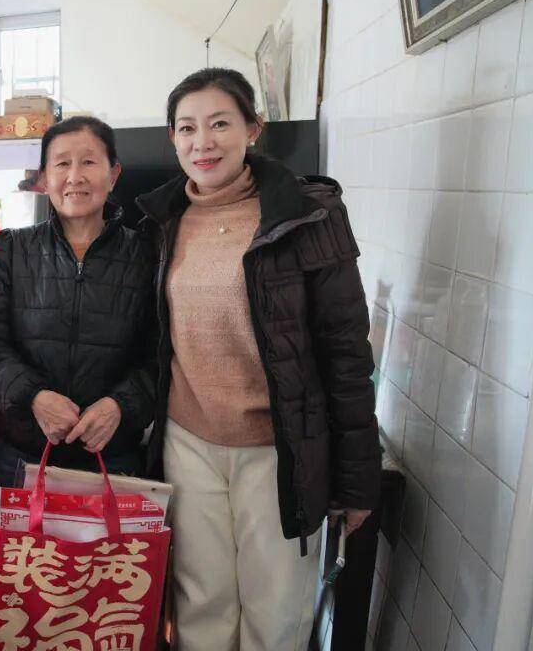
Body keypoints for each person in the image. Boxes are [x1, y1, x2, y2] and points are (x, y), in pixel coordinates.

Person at [137, 67, 380, 650]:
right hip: (188, 442)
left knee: (277, 612)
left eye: (220, 123)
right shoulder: (161, 221)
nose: (203, 142)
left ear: (253, 129)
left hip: (280, 447)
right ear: (172, 139)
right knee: (200, 607)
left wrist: (357, 482)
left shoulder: (308, 214)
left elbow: (347, 353)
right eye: (187, 128)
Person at [0, 115, 157, 495]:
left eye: (88, 161)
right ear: (44, 179)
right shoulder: (13, 248)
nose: (75, 176)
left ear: (113, 174)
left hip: (111, 454)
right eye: (61, 164)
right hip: (23, 454)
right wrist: (34, 398)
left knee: (108, 540)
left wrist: (119, 406)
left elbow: (159, 355)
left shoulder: (146, 254)